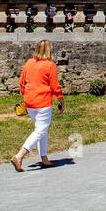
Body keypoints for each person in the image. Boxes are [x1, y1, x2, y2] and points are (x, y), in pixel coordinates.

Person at [11, 39, 63, 172]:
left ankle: (44, 158)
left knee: (41, 130)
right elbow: (55, 86)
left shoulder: (29, 63)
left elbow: (22, 81)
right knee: (40, 130)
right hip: (43, 101)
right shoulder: (49, 65)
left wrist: (25, 94)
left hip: (29, 101)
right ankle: (19, 155)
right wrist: (61, 101)